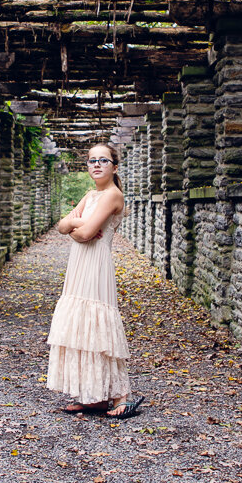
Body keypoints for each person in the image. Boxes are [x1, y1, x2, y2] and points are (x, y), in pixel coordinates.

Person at [44, 143, 144, 419]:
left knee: (97, 324)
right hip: (79, 265)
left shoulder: (113, 196)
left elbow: (84, 231)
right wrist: (76, 228)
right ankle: (94, 396)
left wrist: (76, 227)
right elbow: (62, 226)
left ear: (114, 165)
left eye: (103, 160)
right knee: (79, 324)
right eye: (91, 161)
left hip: (96, 265)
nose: (96, 165)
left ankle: (120, 396)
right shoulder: (89, 196)